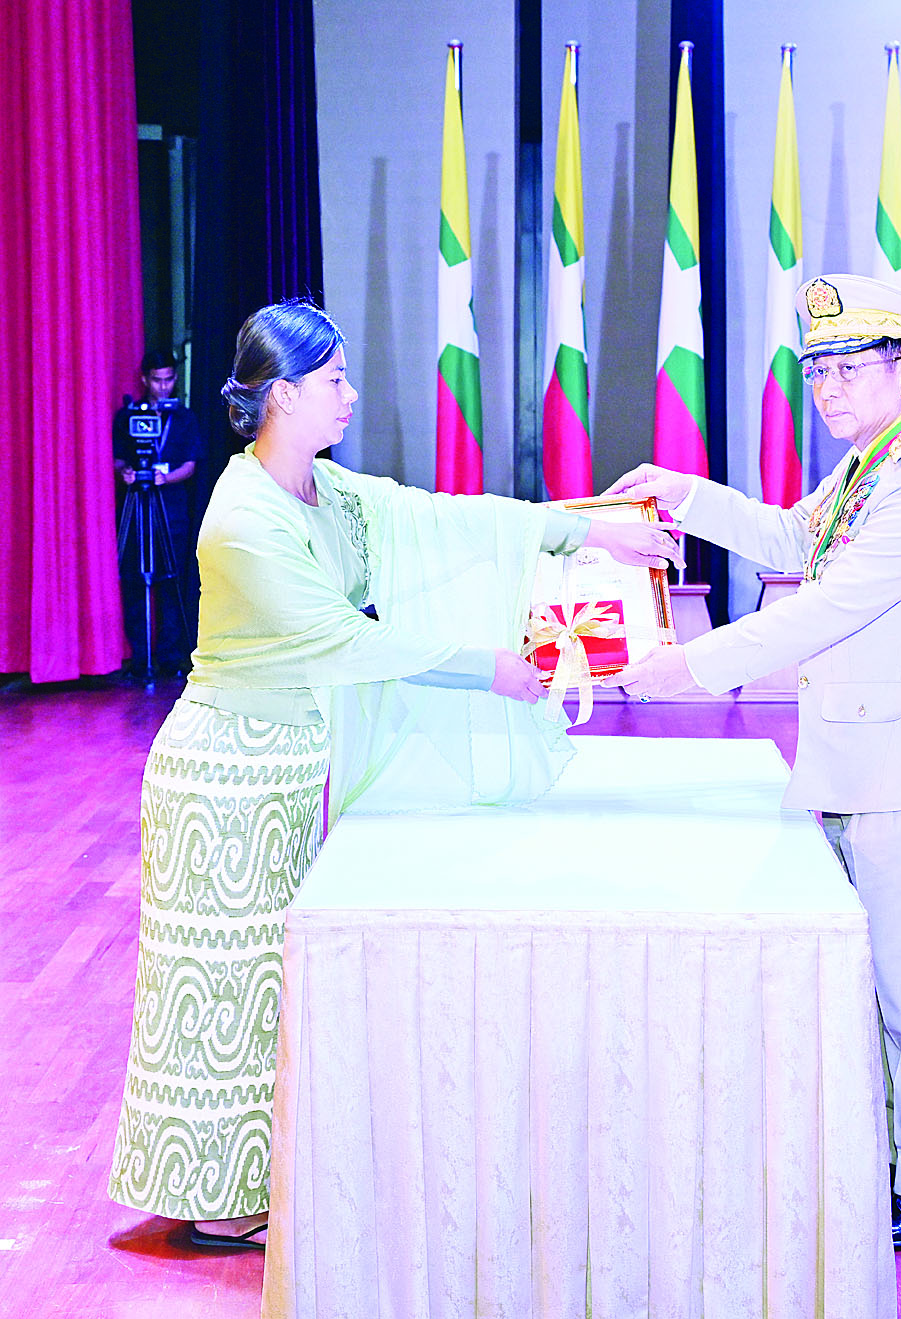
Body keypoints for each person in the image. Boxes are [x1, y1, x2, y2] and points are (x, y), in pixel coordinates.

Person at [107, 299, 678, 1249]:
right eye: (333, 380)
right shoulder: (242, 516)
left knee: (269, 986)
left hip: (288, 766)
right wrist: (487, 668)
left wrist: (585, 534)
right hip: (225, 776)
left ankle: (252, 1180)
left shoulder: (323, 489)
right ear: (281, 395)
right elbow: (343, 640)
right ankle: (216, 1199)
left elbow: (440, 518)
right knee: (224, 989)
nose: (349, 395)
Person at [602, 275, 901, 1250]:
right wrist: (681, 491)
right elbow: (793, 537)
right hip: (869, 756)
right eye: (817, 371)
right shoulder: (877, 460)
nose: (825, 390)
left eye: (847, 370)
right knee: (884, 978)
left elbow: (831, 603)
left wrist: (687, 667)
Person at [113, 349, 203, 676]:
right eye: (156, 381)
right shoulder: (127, 416)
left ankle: (170, 656)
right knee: (134, 582)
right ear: (144, 380)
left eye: (168, 380)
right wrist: (125, 472)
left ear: (175, 378)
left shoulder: (184, 418)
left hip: (171, 510)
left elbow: (191, 465)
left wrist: (167, 478)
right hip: (137, 508)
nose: (163, 387)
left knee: (171, 582)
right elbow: (119, 458)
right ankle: (140, 657)